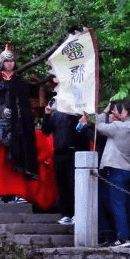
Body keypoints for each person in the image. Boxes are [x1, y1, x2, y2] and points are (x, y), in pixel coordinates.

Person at [83, 98, 130, 247]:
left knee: (119, 205)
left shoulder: (118, 127)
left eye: (121, 110)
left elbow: (100, 125)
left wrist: (105, 111)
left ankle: (123, 238)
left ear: (126, 112)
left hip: (118, 170)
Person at [41, 96, 83, 225]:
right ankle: (66, 214)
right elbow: (45, 130)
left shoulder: (76, 114)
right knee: (62, 184)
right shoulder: (55, 115)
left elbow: (80, 132)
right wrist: (47, 115)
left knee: (73, 184)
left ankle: (77, 212)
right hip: (59, 153)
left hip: (73, 152)